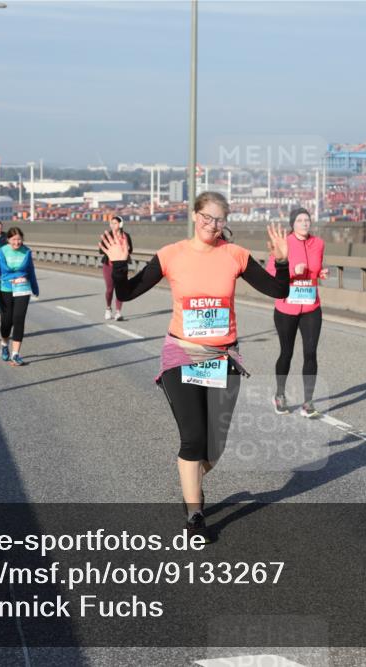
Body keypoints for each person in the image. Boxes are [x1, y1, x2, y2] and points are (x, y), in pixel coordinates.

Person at [101, 191, 289, 541]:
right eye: (206, 217)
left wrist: (281, 260)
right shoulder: (171, 254)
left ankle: (191, 483)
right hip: (182, 354)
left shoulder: (235, 255)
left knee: (214, 447)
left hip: (223, 357)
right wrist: (119, 263)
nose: (212, 225)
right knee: (193, 438)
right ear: (194, 215)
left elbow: (279, 290)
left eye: (219, 220)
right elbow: (126, 293)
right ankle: (195, 514)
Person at [267, 207, 329, 418]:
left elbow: (316, 268)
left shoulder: (318, 243)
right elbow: (271, 273)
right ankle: (279, 395)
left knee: (310, 353)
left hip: (311, 307)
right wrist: (293, 271)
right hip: (287, 307)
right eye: (300, 220)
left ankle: (308, 403)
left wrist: (321, 272)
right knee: (287, 353)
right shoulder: (283, 243)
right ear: (292, 224)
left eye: (307, 220)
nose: (304, 223)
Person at [0, 226, 39, 366]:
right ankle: (4, 344)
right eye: (14, 239)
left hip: (22, 289)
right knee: (6, 322)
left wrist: (35, 288)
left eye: (19, 239)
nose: (17, 242)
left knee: (19, 319)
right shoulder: (2, 252)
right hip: (5, 290)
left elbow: (31, 271)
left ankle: (15, 354)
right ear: (8, 240)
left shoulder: (26, 251)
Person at [98, 215, 132, 321]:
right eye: (111, 223)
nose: (113, 225)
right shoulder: (108, 235)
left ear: (120, 224)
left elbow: (130, 250)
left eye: (115, 223)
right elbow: (100, 251)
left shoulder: (126, 236)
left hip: (121, 266)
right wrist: (111, 249)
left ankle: (118, 312)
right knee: (109, 289)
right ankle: (108, 308)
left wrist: (126, 249)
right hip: (109, 265)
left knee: (120, 288)